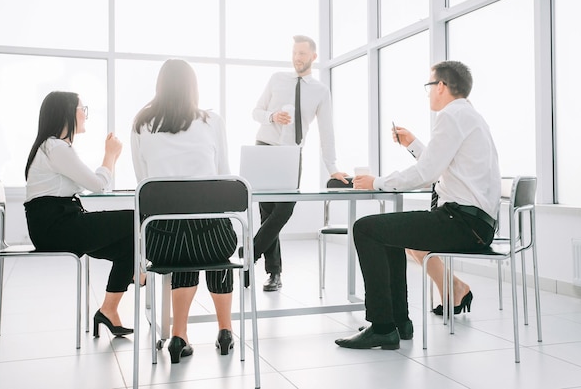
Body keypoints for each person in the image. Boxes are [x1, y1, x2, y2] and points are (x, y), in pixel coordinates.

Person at [335, 60, 500, 350]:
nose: (427, 94)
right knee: (390, 233)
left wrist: (376, 182)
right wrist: (412, 144)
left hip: (461, 223)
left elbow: (426, 174)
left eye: (429, 86)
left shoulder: (451, 116)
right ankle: (398, 322)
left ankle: (384, 326)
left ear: (440, 87)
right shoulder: (469, 116)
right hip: (473, 222)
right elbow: (439, 165)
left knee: (365, 228)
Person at [131, 59, 238, 363]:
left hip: (162, 241)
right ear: (193, 87)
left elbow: (143, 184)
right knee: (214, 252)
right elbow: (224, 176)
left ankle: (179, 334)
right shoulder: (212, 121)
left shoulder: (141, 123)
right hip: (212, 239)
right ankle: (225, 330)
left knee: (183, 247)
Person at [24, 91, 135, 339]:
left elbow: (85, 184)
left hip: (58, 225)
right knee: (136, 219)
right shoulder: (55, 147)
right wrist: (110, 155)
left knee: (130, 244)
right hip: (58, 228)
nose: (85, 114)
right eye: (82, 108)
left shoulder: (53, 147)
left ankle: (109, 310)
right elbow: (97, 185)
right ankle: (141, 272)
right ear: (67, 113)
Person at [251, 34, 348, 291]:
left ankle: (250, 253)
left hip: (292, 153)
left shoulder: (320, 91)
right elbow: (256, 112)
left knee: (284, 209)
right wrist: (272, 116)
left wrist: (333, 168)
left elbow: (327, 132)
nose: (297, 58)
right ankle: (274, 273)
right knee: (268, 213)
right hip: (266, 149)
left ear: (313, 57)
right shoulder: (276, 79)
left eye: (302, 54)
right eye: (294, 53)